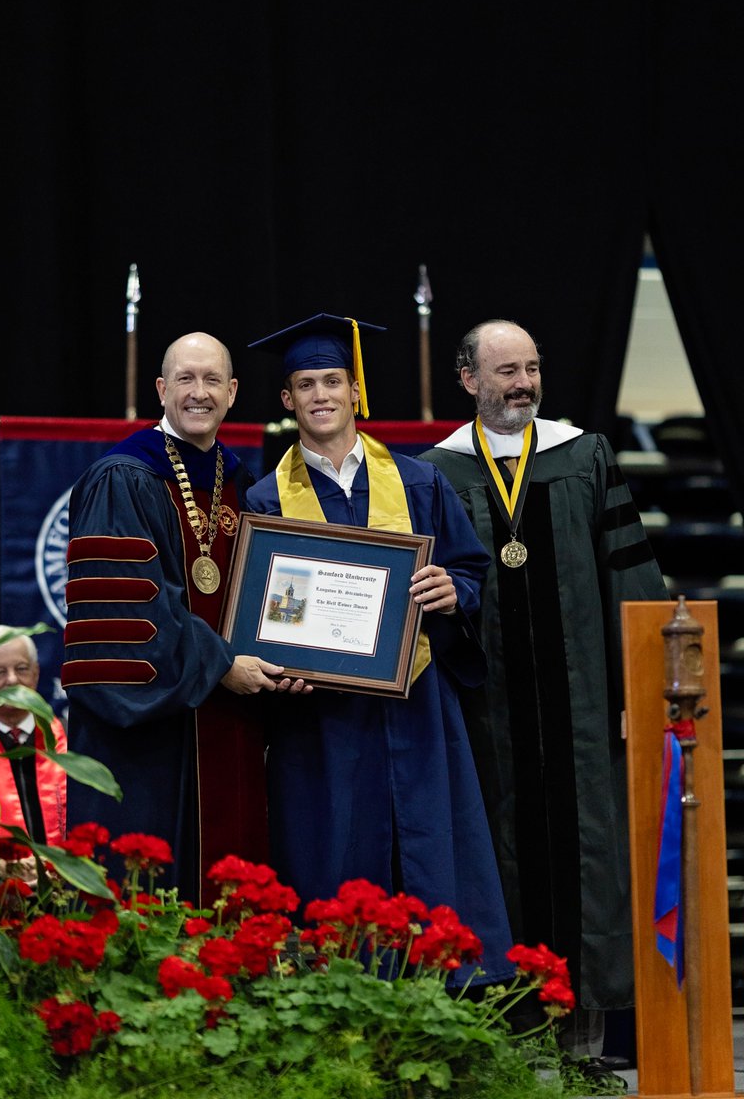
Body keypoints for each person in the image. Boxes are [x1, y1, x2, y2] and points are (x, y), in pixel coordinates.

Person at [420, 318, 669, 1070]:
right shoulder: (435, 473)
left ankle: (585, 1048)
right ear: (469, 380)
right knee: (498, 864)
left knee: (587, 865)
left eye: (531, 368)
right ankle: (509, 1050)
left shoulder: (583, 455)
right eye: (506, 372)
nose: (524, 383)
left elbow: (631, 581)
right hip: (486, 718)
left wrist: (640, 689)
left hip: (582, 713)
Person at [245, 313, 513, 985]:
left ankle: (439, 1011)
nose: (321, 395)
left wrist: (453, 589)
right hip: (322, 720)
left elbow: (471, 571)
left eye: (333, 380)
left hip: (416, 707)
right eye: (305, 384)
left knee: (427, 855)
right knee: (333, 858)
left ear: (355, 391)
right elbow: (259, 613)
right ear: (287, 400)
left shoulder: (417, 483)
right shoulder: (265, 498)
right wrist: (284, 668)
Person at [62, 332, 310, 905]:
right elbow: (128, 609)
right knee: (146, 896)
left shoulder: (243, 483)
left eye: (212, 381)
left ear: (232, 392)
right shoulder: (121, 477)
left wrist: (289, 659)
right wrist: (223, 665)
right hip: (151, 733)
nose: (199, 394)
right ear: (161, 389)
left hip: (232, 720)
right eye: (185, 379)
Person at [0, 625, 67, 881]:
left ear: (35, 674)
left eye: (22, 669)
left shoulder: (69, 738)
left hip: (68, 886)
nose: (12, 680)